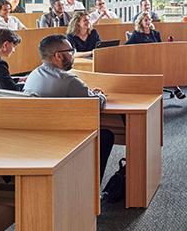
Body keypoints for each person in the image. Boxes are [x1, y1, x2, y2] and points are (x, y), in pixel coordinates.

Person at [23, 35, 118, 192]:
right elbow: (95, 104)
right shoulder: (67, 79)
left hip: (36, 134)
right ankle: (90, 193)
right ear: (58, 56)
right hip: (59, 138)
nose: (73, 55)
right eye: (70, 51)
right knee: (106, 136)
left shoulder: (33, 74)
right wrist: (100, 94)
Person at [126, 13, 187, 99]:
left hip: (156, 59)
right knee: (160, 67)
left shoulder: (155, 33)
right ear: (141, 22)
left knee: (167, 65)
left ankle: (176, 88)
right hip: (143, 61)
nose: (148, 22)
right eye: (145, 20)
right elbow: (126, 46)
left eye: (149, 20)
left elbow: (160, 47)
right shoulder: (136, 34)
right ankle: (175, 89)